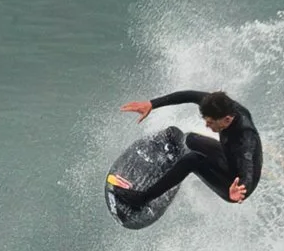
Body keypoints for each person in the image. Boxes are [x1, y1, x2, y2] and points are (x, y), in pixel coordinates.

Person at [109, 89, 263, 210]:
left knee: (192, 160)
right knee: (190, 139)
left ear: (227, 120)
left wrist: (240, 190)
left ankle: (142, 199)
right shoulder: (221, 106)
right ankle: (175, 170)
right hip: (228, 157)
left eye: (210, 122)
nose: (206, 126)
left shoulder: (245, 138)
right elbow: (188, 95)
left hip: (234, 184)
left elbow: (247, 171)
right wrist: (151, 104)